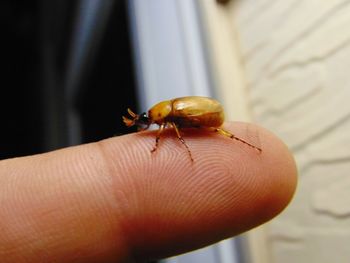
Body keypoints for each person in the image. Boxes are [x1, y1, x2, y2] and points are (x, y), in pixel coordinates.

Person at [0, 122, 297, 263]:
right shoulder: (166, 119)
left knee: (214, 133)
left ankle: (239, 142)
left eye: (151, 121)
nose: (151, 124)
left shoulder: (172, 121)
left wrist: (164, 143)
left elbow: (174, 130)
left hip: (204, 116)